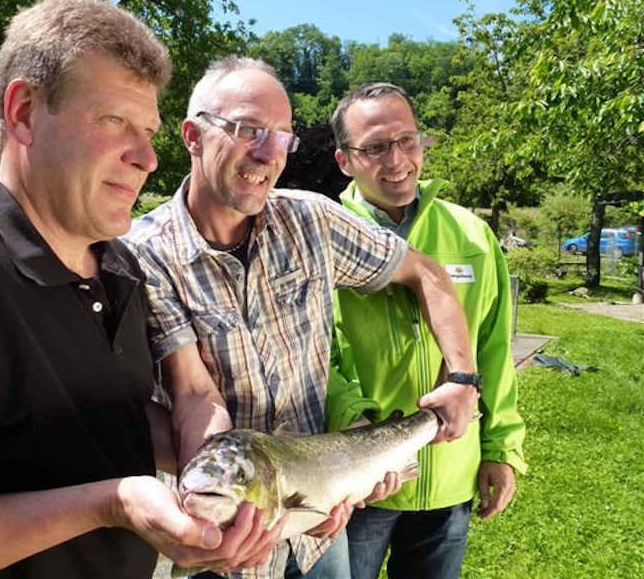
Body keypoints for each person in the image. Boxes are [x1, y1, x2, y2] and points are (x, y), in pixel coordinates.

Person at [0, 0, 281, 579]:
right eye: (114, 121)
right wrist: (111, 504)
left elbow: (92, 419)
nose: (147, 158)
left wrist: (242, 472)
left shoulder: (119, 266)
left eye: (148, 130)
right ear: (23, 112)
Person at [122, 56, 482, 579]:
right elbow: (195, 396)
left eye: (283, 136)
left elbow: (426, 273)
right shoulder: (143, 255)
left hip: (319, 537)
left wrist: (463, 377)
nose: (268, 153)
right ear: (192, 135)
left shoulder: (310, 221)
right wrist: (251, 505)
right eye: (249, 130)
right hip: (221, 541)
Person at [326, 82, 528, 579]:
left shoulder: (471, 235)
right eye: (374, 147)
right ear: (344, 160)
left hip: (450, 475)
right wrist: (359, 429)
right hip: (362, 475)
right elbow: (317, 354)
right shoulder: (322, 234)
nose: (396, 159)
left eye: (407, 140)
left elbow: (493, 348)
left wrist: (501, 448)